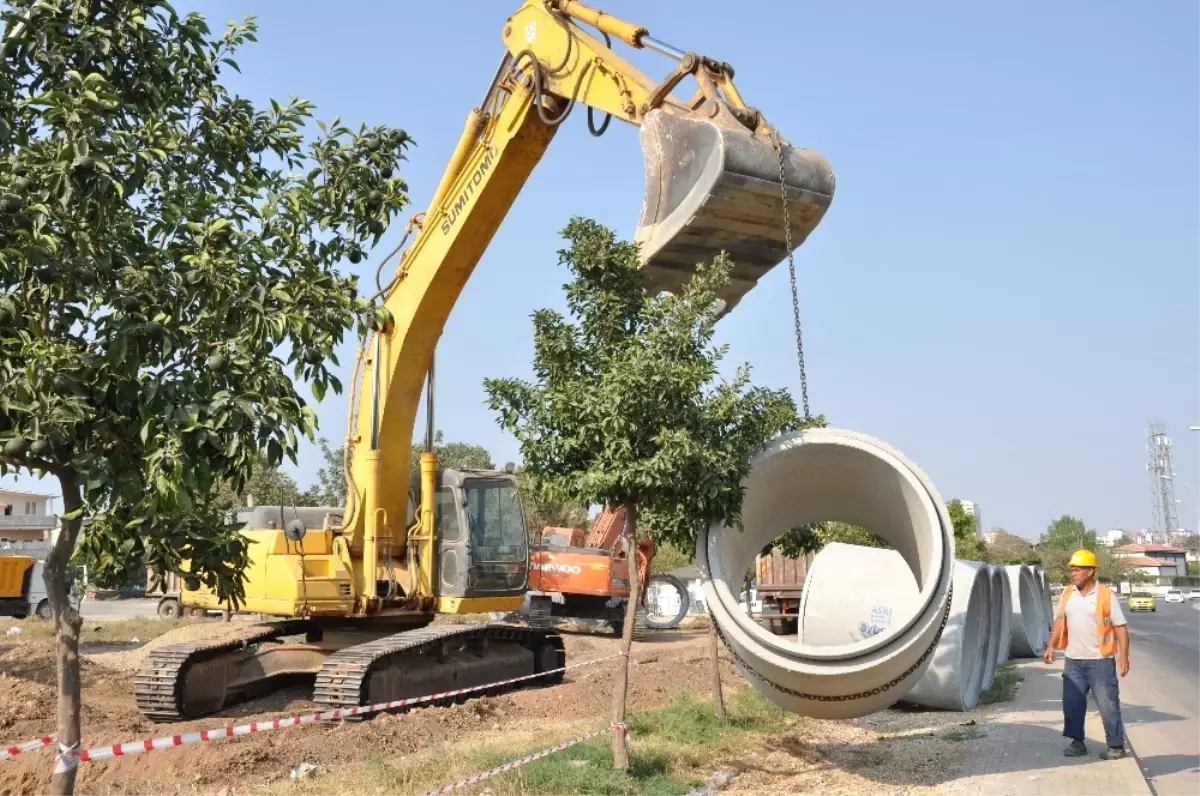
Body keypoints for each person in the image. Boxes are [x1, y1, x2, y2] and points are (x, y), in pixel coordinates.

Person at [1043, 548, 1130, 760]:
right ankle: (1077, 742)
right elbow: (1059, 621)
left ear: (1090, 571)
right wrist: (1051, 646)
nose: (1073, 574)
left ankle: (1116, 746)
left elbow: (1120, 627)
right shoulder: (1066, 594)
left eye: (1077, 570)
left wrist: (1124, 657)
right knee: (1072, 703)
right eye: (1072, 570)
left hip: (1100, 662)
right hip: (1073, 661)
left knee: (1108, 704)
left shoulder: (1105, 595)